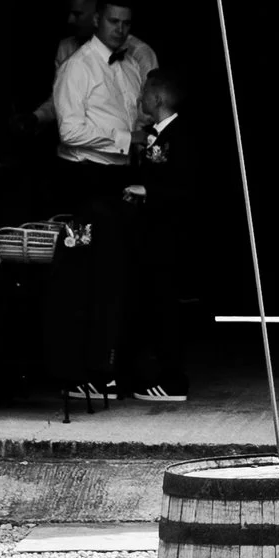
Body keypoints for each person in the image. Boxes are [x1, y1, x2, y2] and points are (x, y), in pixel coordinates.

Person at [44, 0, 157, 402]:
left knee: (125, 272)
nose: (121, 29)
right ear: (97, 22)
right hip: (85, 178)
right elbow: (69, 132)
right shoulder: (78, 68)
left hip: (121, 178)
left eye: (126, 23)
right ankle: (88, 370)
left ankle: (116, 367)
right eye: (113, 22)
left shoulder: (129, 66)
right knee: (93, 275)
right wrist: (127, 140)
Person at [118, 69, 191, 404]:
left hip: (170, 239)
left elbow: (188, 186)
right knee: (149, 306)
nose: (140, 97)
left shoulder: (182, 136)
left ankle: (174, 381)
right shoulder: (154, 135)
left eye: (145, 92)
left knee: (164, 308)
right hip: (152, 239)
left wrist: (147, 190)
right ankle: (141, 374)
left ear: (158, 98)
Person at [29, 0, 102, 129]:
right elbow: (60, 100)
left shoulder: (138, 54)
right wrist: (36, 117)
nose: (70, 20)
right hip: (72, 144)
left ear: (97, 16)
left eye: (77, 14)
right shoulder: (65, 48)